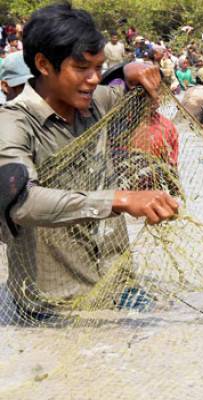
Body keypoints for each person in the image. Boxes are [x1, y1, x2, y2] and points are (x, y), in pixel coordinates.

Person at [0, 3, 178, 320]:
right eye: (82, 68)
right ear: (43, 64)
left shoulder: (97, 103)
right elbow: (22, 202)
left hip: (119, 287)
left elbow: (130, 90)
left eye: (98, 68)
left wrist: (128, 69)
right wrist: (121, 199)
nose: (93, 79)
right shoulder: (13, 123)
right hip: (55, 304)